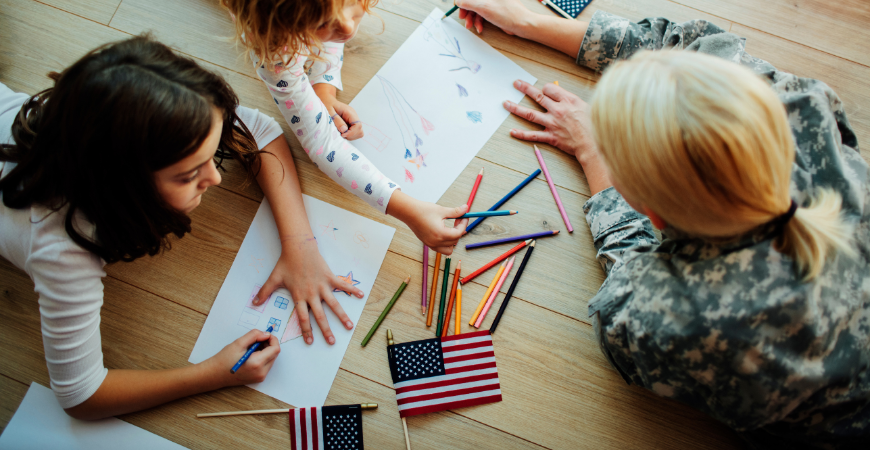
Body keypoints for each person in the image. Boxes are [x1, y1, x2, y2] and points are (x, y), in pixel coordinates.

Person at [456, 0, 870, 447]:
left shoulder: (676, 318)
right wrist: (531, 23)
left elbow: (623, 292)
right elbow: (679, 51)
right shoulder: (801, 105)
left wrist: (593, 154)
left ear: (652, 215)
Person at [0, 35, 365, 420]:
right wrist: (213, 374)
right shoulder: (62, 251)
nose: (216, 178)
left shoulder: (89, 114)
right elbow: (81, 395)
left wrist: (300, 244)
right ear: (125, 188)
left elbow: (260, 131)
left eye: (210, 158)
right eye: (190, 175)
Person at [219, 0, 470, 277]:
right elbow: (322, 144)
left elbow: (330, 35)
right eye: (320, 25)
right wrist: (407, 210)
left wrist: (323, 90)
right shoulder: (276, 54)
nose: (349, 27)